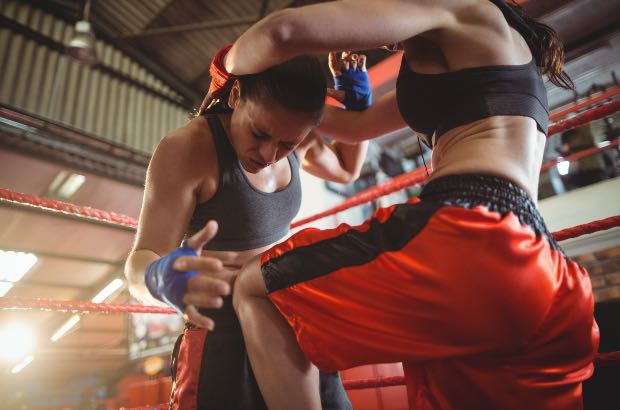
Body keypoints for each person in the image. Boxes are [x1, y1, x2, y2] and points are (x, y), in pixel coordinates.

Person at [217, 1, 601, 409]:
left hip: (470, 237)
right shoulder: (477, 61)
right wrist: (347, 99)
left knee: (256, 287)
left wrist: (227, 69)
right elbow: (354, 129)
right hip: (544, 269)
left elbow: (281, 33)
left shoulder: (463, 7)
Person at [125, 50, 371, 409]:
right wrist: (159, 280)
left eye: (287, 144)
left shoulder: (293, 133)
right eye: (259, 133)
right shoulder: (189, 149)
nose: (270, 154)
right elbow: (138, 263)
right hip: (220, 324)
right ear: (236, 96)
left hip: (288, 314)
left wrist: (358, 105)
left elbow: (347, 170)